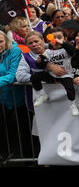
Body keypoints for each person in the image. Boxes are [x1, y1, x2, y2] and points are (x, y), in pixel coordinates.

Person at [0, 31, 33, 161]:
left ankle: (29, 159)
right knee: (4, 130)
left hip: (19, 98)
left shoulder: (15, 51)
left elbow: (13, 74)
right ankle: (5, 154)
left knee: (24, 132)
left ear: (6, 41)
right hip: (2, 99)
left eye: (0, 41)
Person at [30, 27, 78, 116]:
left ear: (65, 38)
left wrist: (62, 43)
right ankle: (42, 94)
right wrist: (39, 61)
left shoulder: (66, 49)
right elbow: (42, 65)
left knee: (70, 87)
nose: (56, 40)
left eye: (59, 37)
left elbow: (73, 52)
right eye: (53, 37)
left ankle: (73, 104)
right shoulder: (48, 51)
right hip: (52, 75)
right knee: (34, 77)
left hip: (65, 74)